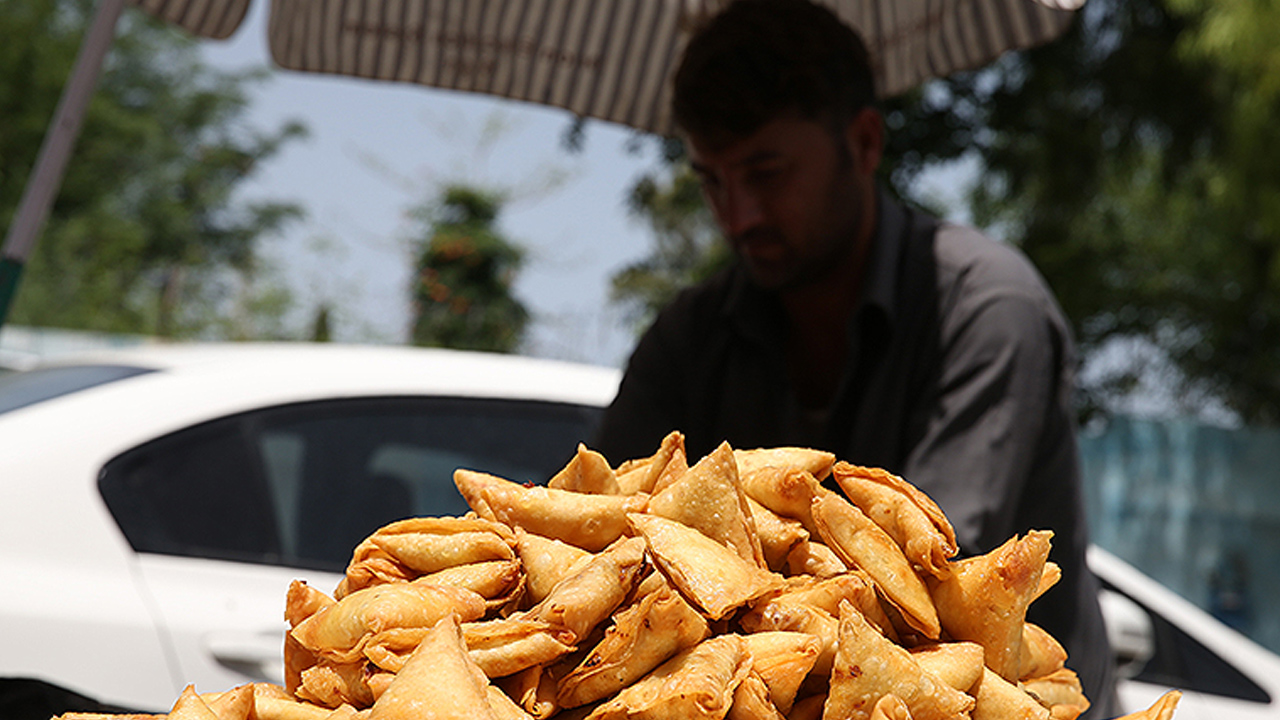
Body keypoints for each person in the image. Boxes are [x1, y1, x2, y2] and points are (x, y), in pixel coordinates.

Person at [592, 0, 1118, 715]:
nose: (738, 215)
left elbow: (925, 581)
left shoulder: (986, 309)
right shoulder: (693, 335)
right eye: (713, 181)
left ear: (864, 143)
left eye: (767, 172)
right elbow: (601, 529)